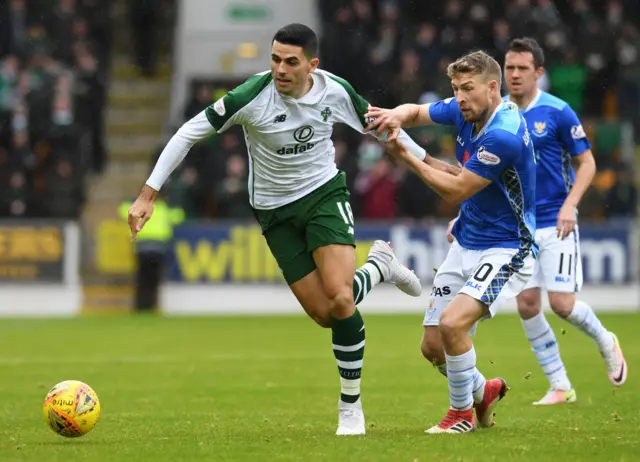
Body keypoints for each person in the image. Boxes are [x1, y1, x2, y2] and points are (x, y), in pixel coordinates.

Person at [126, 23, 458, 436]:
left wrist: (430, 161)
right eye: (275, 59)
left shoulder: (335, 91)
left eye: (291, 62)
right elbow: (188, 132)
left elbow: (385, 130)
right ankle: (380, 267)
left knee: (339, 297)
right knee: (324, 313)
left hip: (323, 196)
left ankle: (350, 407)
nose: (280, 69)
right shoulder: (250, 96)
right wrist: (147, 194)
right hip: (274, 212)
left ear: (311, 65)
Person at [366, 50, 537, 434]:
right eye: (456, 88)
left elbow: (458, 187)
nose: (460, 97)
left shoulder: (503, 133)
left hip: (508, 245)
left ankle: (460, 415)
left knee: (453, 324)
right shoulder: (465, 109)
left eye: (468, 89)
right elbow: (416, 112)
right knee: (432, 346)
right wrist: (395, 116)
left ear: (493, 88)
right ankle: (484, 390)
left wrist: (405, 156)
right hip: (466, 239)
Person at [503, 37, 627, 405]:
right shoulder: (499, 114)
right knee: (526, 304)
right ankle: (560, 385)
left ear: (538, 73)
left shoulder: (558, 112)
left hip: (557, 222)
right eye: (509, 67)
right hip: (519, 227)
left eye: (522, 68)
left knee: (562, 304)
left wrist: (571, 205)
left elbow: (587, 163)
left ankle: (606, 340)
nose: (515, 74)